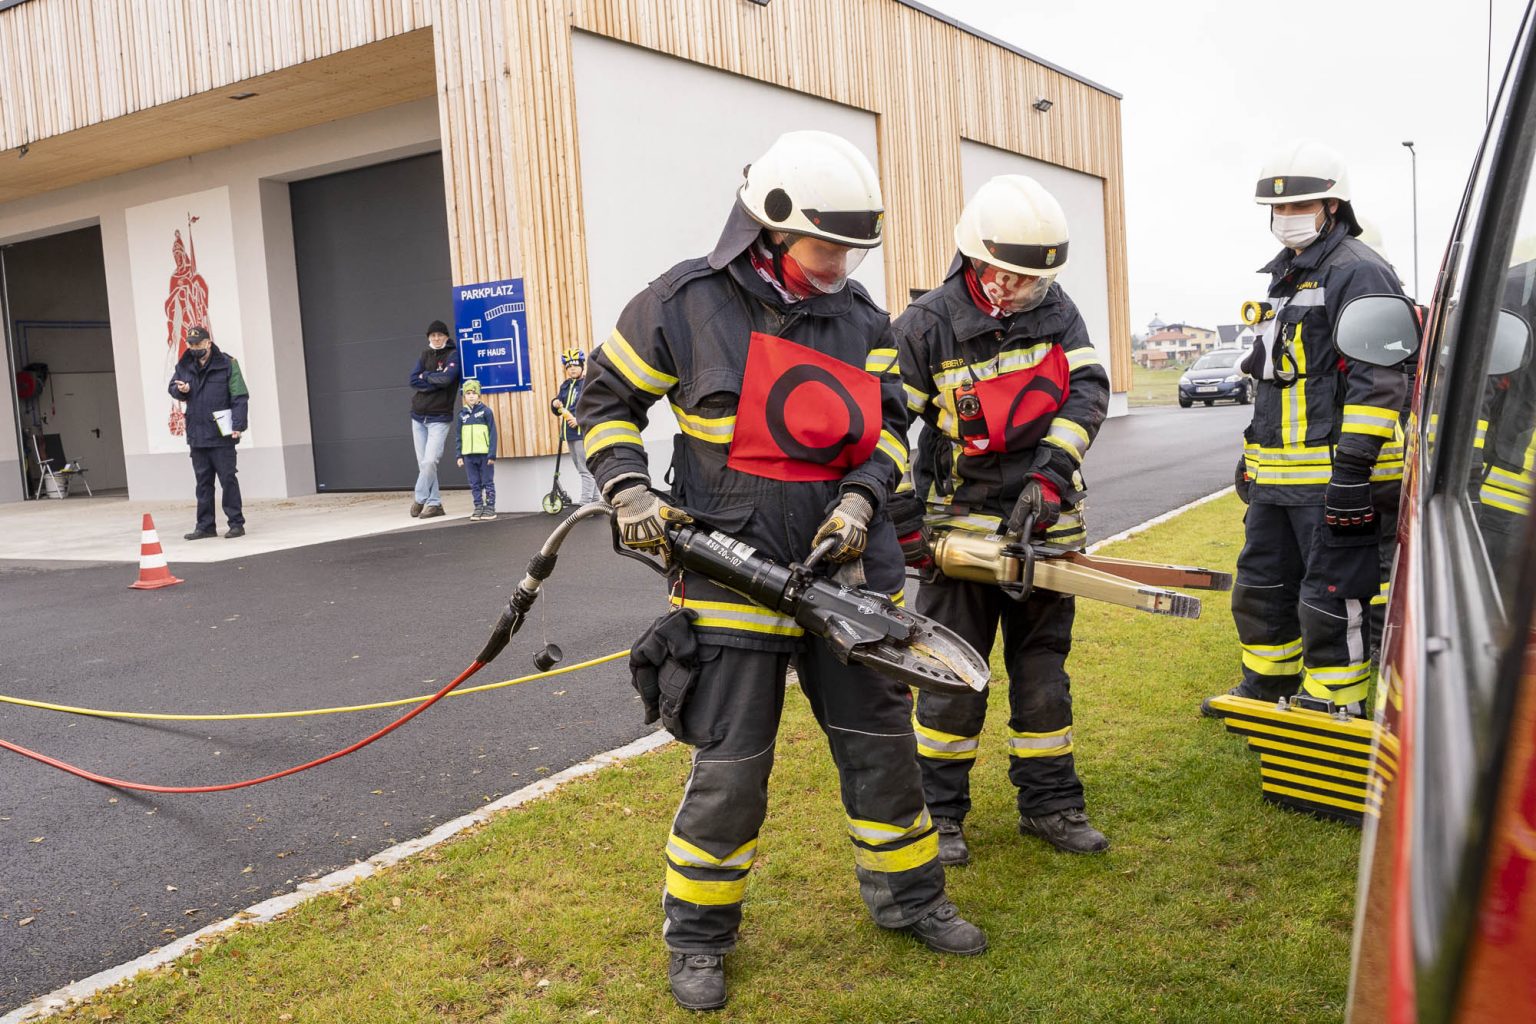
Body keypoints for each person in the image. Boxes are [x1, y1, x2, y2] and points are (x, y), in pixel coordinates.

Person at [575, 129, 986, 1012]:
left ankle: (911, 902)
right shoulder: (683, 303)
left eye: (850, 248)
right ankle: (698, 939)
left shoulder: (864, 319)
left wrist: (863, 502)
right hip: (730, 576)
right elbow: (604, 401)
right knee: (729, 774)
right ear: (768, 228)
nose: (840, 262)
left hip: (847, 578)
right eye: (825, 245)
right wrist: (626, 489)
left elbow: (885, 434)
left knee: (883, 757)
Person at [891, 175, 1111, 866]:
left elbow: (1088, 392)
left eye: (1035, 281)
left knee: (1044, 673)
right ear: (975, 258)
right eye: (1011, 277)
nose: (1022, 292)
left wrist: (1050, 476)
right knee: (951, 678)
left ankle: (1050, 804)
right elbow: (885, 431)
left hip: (1047, 527)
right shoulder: (925, 326)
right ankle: (942, 814)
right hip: (959, 536)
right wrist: (902, 524)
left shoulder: (1059, 311)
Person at [1202, 140, 1409, 718]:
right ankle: (1266, 689)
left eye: (1301, 205)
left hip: (1336, 484)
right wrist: (1252, 454)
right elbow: (1275, 380)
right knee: (1262, 591)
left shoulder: (1360, 271)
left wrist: (1351, 473)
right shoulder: (1287, 278)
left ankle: (1332, 706)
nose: (1286, 218)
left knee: (1329, 600)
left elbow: (1381, 378)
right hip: (1279, 482)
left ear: (1333, 207)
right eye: (1278, 208)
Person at [168, 325, 248, 539]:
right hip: (197, 434)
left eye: (198, 344)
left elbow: (239, 396)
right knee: (203, 483)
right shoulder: (184, 365)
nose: (194, 348)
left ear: (208, 343)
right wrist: (180, 390)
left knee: (228, 479)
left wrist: (238, 426)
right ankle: (205, 526)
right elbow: (172, 387)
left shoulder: (228, 364)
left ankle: (236, 523)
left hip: (222, 434)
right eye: (191, 344)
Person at [409, 320, 460, 518]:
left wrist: (426, 376)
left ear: (446, 336)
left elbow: (447, 379)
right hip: (418, 416)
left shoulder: (453, 354)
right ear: (428, 338)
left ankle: (420, 497)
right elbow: (413, 379)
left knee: (430, 461)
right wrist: (434, 379)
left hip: (439, 417)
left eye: (440, 335)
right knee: (424, 464)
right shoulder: (424, 354)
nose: (436, 339)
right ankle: (434, 503)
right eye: (433, 336)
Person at [549, 348, 597, 504]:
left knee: (585, 470)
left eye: (575, 365)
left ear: (582, 366)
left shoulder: (586, 384)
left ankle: (585, 504)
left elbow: (592, 407)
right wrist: (555, 403)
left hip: (581, 433)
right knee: (582, 468)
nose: (572, 369)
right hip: (569, 434)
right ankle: (595, 500)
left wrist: (579, 420)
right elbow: (559, 409)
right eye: (569, 367)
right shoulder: (565, 386)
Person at [455, 379, 498, 521]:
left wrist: (492, 454)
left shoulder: (486, 412)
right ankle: (478, 506)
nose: (471, 396)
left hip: (484, 455)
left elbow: (493, 434)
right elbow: (458, 436)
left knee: (487, 481)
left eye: (474, 393)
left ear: (479, 395)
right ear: (464, 396)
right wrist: (459, 455)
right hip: (468, 456)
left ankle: (490, 507)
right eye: (468, 393)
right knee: (474, 483)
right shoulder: (462, 416)